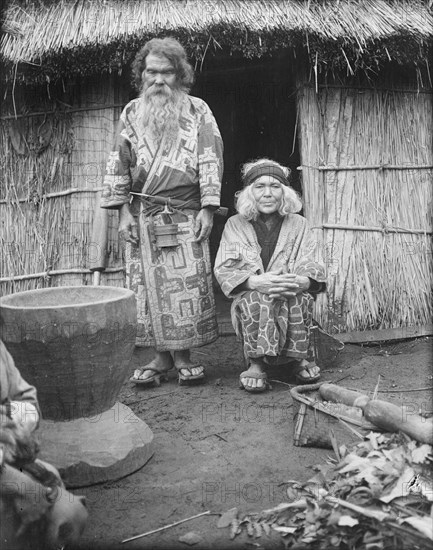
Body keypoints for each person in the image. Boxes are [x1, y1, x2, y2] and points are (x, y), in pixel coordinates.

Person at [100, 37, 223, 386]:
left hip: (185, 213)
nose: (158, 80)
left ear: (179, 74)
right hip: (142, 215)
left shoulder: (199, 110)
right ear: (142, 74)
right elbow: (118, 164)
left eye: (166, 72)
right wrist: (123, 214)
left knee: (185, 287)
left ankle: (183, 357)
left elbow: (211, 157)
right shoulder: (130, 113)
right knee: (146, 289)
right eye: (151, 72)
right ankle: (160, 358)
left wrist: (208, 209)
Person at [214, 159, 326, 392]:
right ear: (248, 193)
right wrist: (256, 281)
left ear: (285, 193)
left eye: (275, 186)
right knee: (257, 298)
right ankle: (256, 363)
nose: (268, 193)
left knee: (297, 297)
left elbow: (313, 261)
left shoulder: (299, 223)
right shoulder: (235, 224)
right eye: (259, 186)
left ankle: (297, 359)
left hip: (289, 290)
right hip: (252, 294)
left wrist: (300, 281)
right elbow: (224, 267)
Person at [0, 338, 88, 549]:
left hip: (9, 458)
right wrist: (24, 488)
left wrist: (9, 422)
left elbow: (28, 400)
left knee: (70, 515)